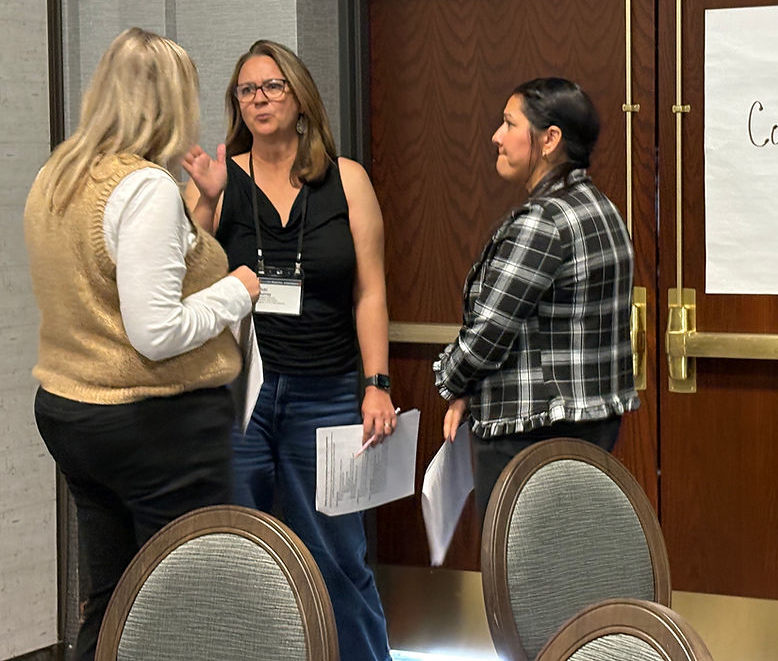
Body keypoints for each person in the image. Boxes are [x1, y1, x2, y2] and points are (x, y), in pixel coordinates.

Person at [23, 27, 260, 661]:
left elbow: (114, 281)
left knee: (113, 593)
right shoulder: (145, 188)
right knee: (186, 601)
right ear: (170, 102)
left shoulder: (59, 175)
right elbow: (156, 334)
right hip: (154, 423)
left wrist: (203, 211)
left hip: (72, 411)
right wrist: (238, 289)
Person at [182, 40, 394, 661]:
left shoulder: (346, 179)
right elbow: (185, 280)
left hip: (325, 393)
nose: (260, 99)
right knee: (240, 551)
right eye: (247, 90)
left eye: (273, 86)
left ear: (300, 98)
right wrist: (208, 199)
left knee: (336, 554)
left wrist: (376, 382)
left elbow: (371, 290)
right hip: (238, 397)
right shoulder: (221, 179)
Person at [435, 77, 640, 517]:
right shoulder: (602, 208)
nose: (496, 136)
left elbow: (488, 331)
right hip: (587, 429)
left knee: (517, 575)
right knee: (570, 567)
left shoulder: (545, 221)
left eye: (509, 123)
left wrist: (450, 382)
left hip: (530, 432)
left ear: (549, 140)